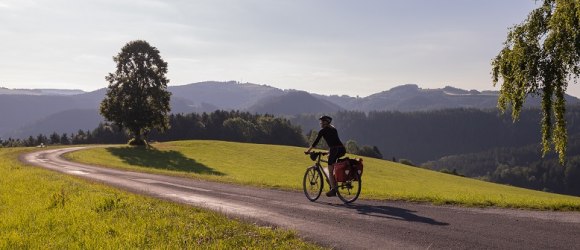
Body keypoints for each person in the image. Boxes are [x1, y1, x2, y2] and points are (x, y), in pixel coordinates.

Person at [305, 115, 346, 197]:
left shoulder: (323, 131)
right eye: (321, 121)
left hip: (335, 149)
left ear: (326, 122)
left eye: (323, 121)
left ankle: (333, 190)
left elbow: (315, 143)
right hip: (341, 149)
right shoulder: (333, 129)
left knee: (330, 170)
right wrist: (328, 152)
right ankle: (334, 183)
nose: (321, 123)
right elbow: (334, 142)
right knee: (332, 163)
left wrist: (308, 151)